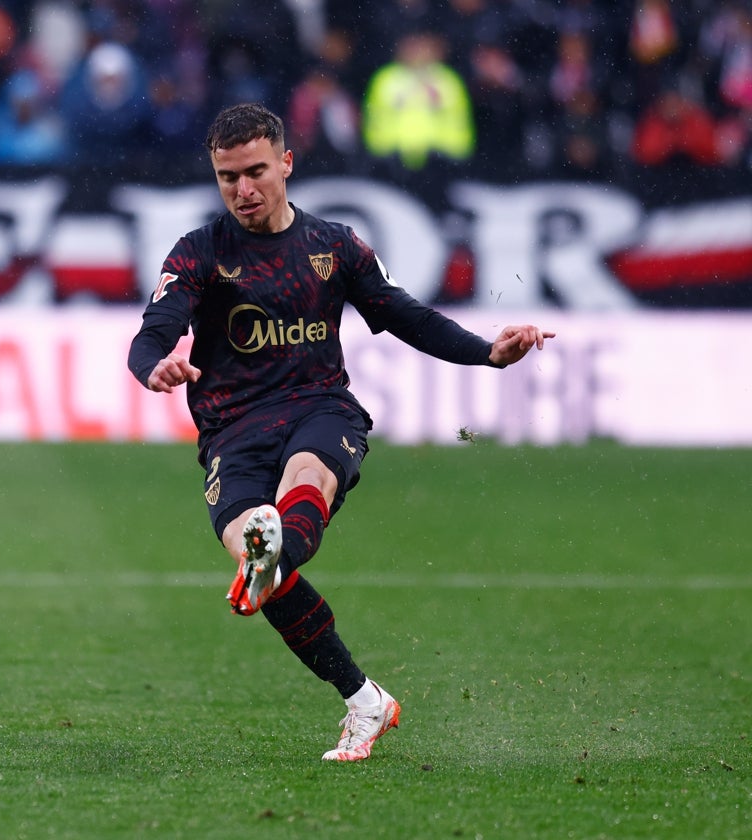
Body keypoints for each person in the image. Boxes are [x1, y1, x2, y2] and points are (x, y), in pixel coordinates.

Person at [127, 103, 554, 762]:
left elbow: (404, 315)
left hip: (319, 408)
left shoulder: (334, 246)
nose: (242, 191)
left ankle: (273, 553)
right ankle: (364, 701)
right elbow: (155, 330)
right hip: (232, 430)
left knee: (303, 481)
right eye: (227, 177)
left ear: (287, 164)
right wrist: (154, 365)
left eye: (255, 172)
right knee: (256, 558)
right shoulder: (200, 253)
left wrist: (486, 353)